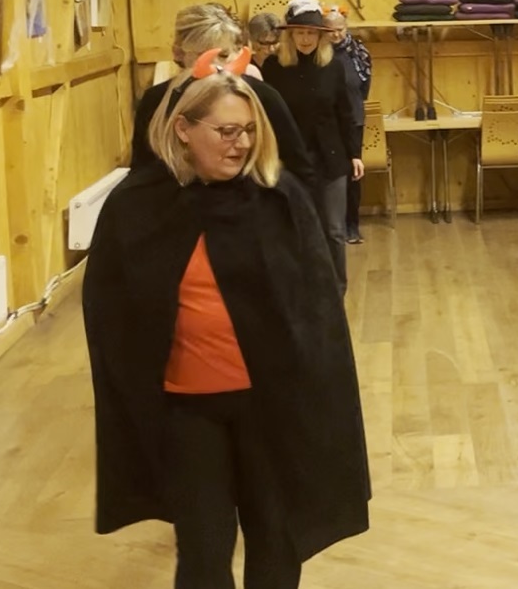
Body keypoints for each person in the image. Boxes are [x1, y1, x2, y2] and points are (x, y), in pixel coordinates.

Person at [83, 52, 369, 589]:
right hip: (187, 412)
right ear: (183, 129)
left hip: (270, 407)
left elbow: (316, 317)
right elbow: (112, 315)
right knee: (203, 551)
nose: (240, 143)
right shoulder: (138, 206)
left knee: (276, 544)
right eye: (226, 131)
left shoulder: (280, 200)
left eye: (249, 131)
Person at [132, 4, 317, 196]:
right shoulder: (157, 100)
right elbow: (142, 169)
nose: (215, 66)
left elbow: (298, 168)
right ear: (179, 53)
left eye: (224, 55)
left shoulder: (262, 96)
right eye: (203, 56)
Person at [259, 0, 362, 290]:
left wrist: (354, 154)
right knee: (297, 228)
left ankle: (336, 290)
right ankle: (304, 290)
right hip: (290, 159)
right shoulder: (274, 68)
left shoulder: (334, 67)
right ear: (290, 35)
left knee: (334, 230)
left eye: (311, 33)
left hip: (331, 158)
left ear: (321, 36)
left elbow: (345, 114)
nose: (305, 39)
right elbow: (267, 116)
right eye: (300, 33)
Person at [326, 8, 372, 245]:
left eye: (340, 30)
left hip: (354, 119)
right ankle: (333, 226)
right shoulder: (320, 54)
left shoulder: (359, 52)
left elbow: (364, 87)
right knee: (333, 174)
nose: (336, 35)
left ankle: (352, 226)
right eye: (330, 31)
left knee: (354, 174)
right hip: (328, 122)